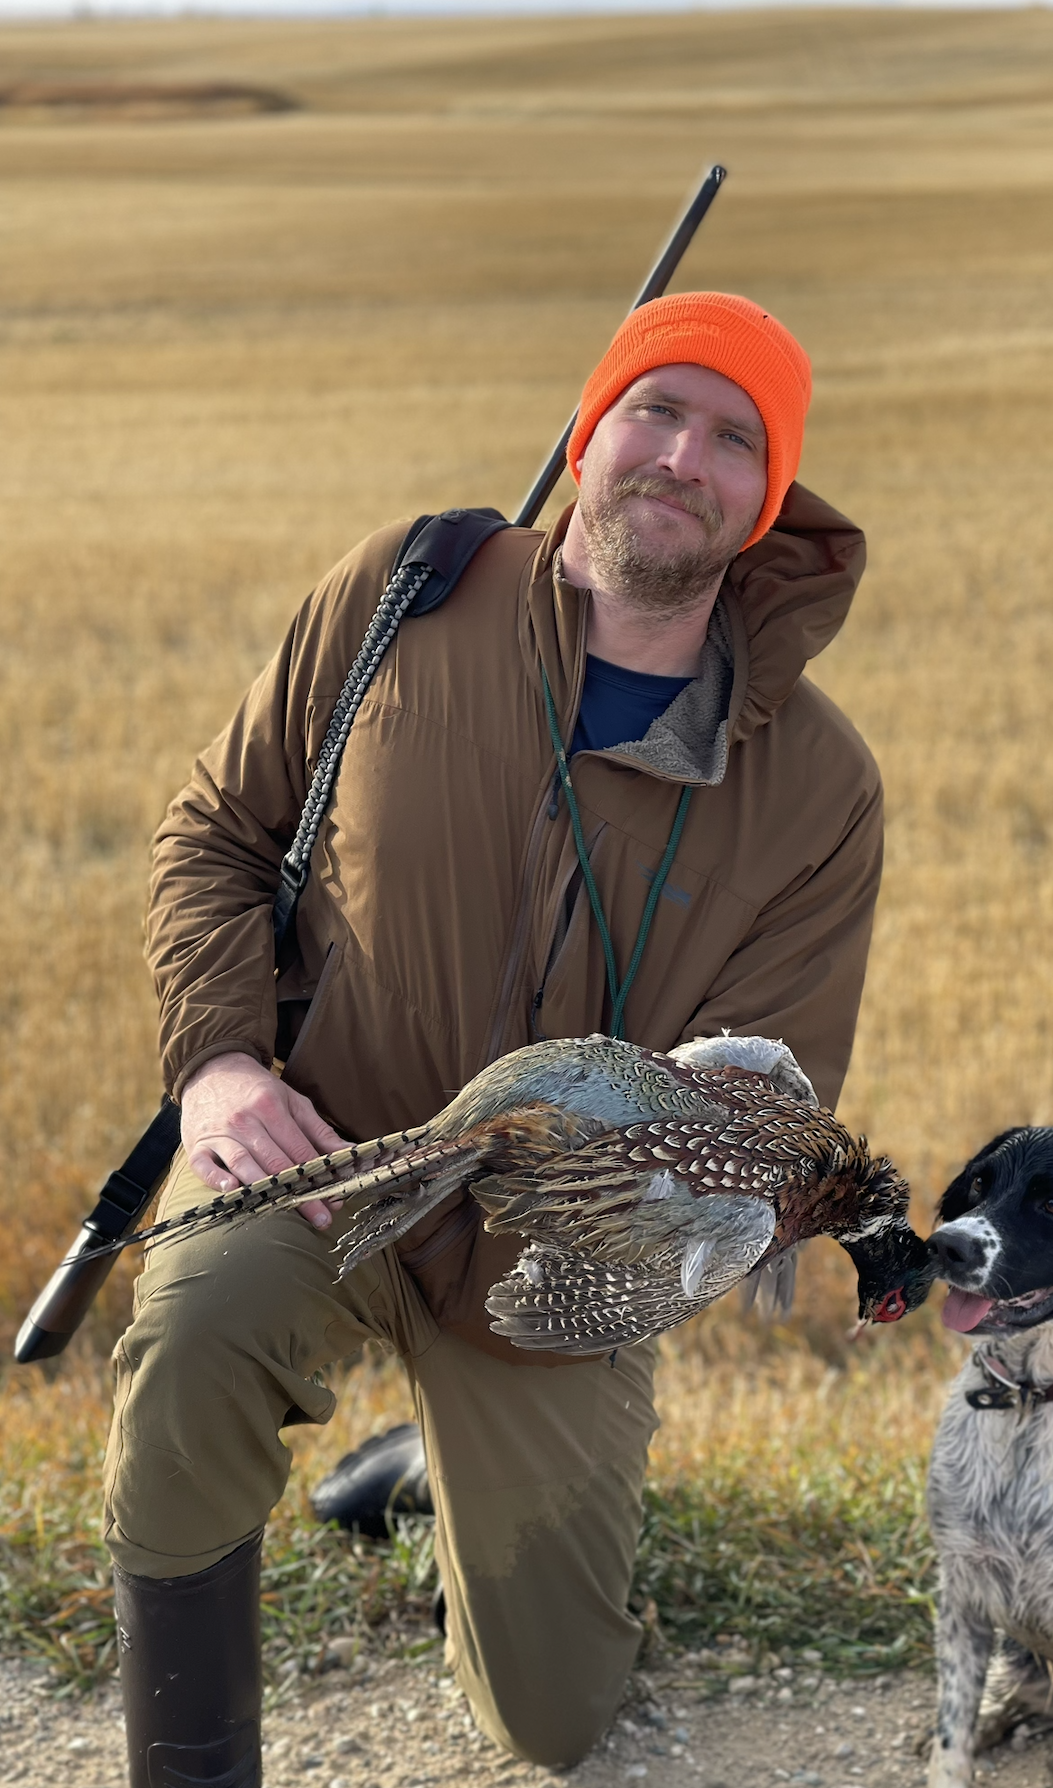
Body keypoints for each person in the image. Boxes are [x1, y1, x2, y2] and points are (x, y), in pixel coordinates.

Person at [103, 292, 883, 1788]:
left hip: (561, 1251)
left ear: (768, 495)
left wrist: (617, 1215)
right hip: (327, 1148)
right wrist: (219, 1066)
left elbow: (775, 1102)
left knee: (555, 1720)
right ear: (590, 429)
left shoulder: (817, 782)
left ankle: (428, 1475)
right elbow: (216, 829)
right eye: (654, 409)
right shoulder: (401, 600)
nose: (681, 456)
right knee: (192, 1339)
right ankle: (183, 1760)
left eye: (735, 438)